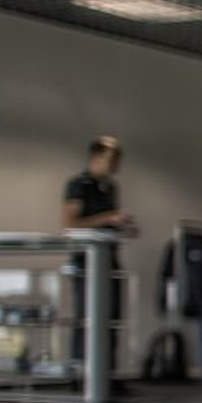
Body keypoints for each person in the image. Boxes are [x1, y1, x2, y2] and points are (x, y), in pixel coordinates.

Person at [61, 135, 135, 390]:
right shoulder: (78, 185)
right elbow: (71, 225)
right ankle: (80, 377)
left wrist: (121, 226)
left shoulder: (110, 188)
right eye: (112, 160)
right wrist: (108, 218)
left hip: (108, 258)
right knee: (87, 319)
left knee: (111, 318)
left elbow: (108, 224)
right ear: (97, 157)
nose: (116, 166)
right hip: (85, 260)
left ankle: (106, 376)